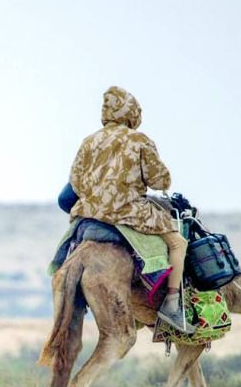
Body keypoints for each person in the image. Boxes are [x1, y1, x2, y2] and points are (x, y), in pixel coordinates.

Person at [68, 86, 194, 333]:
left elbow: (75, 181)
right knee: (179, 243)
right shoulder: (139, 140)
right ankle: (171, 305)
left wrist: (98, 195)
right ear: (131, 113)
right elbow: (161, 181)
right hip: (130, 211)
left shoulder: (89, 141)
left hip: (88, 212)